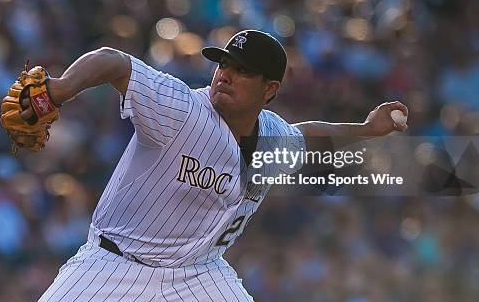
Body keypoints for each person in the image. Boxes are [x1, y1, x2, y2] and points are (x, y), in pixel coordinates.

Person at [35, 30, 408, 301]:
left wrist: (366, 130)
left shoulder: (274, 138)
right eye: (223, 64)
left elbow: (309, 135)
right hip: (114, 265)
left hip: (198, 274)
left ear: (270, 90)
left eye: (243, 70)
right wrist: (60, 89)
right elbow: (113, 62)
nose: (225, 74)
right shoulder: (181, 110)